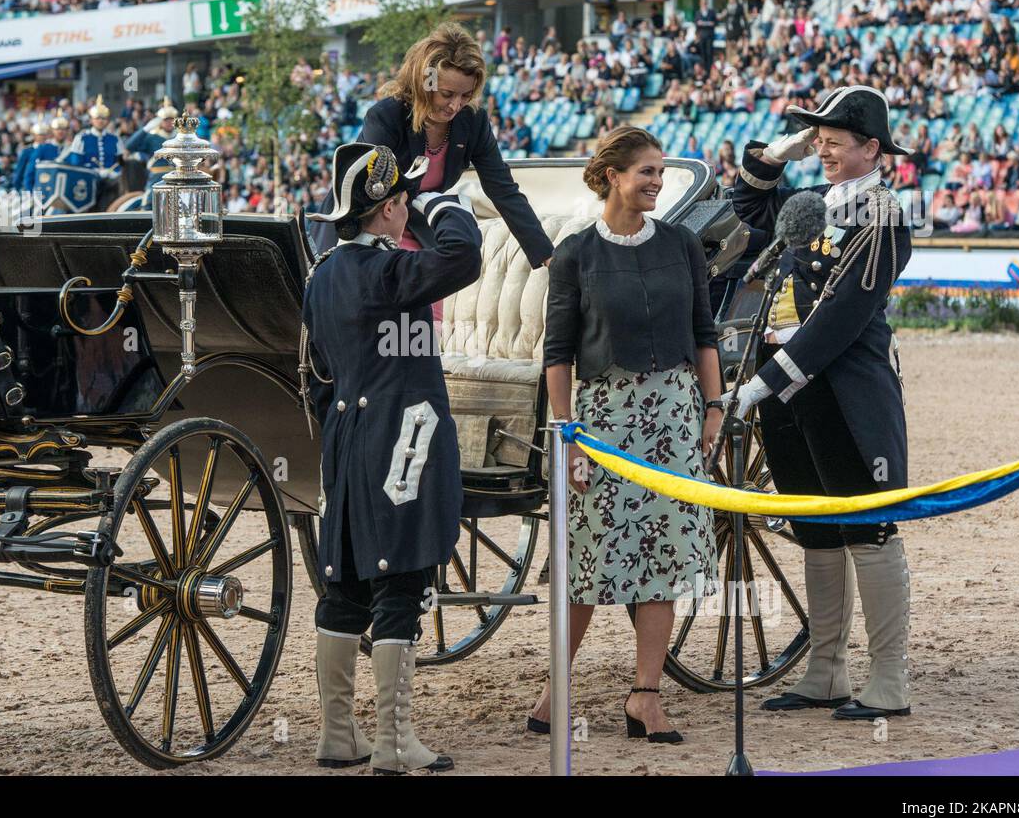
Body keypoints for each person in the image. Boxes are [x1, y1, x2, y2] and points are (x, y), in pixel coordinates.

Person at [527, 126, 724, 743]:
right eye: (646, 171)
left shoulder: (684, 244)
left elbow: (704, 333)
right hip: (600, 421)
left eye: (660, 172)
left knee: (665, 555)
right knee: (587, 560)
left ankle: (646, 696)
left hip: (674, 415)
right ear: (612, 174)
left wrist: (714, 409)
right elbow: (557, 354)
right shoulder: (575, 255)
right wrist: (567, 432)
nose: (657, 182)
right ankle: (555, 690)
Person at [729, 85, 913, 721]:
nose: (825, 149)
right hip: (791, 393)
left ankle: (889, 679)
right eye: (820, 139)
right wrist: (776, 154)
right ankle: (826, 671)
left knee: (867, 526)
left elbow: (840, 318)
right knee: (816, 528)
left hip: (846, 392)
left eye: (838, 140)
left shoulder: (885, 214)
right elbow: (742, 209)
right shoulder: (809, 204)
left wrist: (764, 381)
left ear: (873, 149)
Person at [301, 142, 481, 774]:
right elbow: (465, 257)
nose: (409, 211)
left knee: (345, 585)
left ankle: (337, 735)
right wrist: (446, 202)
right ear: (386, 209)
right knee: (400, 581)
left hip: (346, 439)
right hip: (406, 436)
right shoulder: (387, 270)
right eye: (403, 201)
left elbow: (318, 376)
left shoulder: (322, 273)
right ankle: (395, 741)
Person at [310, 22, 553, 289]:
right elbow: (367, 193)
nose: (455, 105)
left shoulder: (474, 121)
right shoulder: (387, 116)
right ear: (425, 83)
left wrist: (547, 255)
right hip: (362, 223)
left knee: (424, 318)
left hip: (414, 226)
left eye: (466, 95)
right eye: (447, 94)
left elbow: (503, 190)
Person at [125, 96, 180, 199]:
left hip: (178, 176)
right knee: (149, 202)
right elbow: (129, 146)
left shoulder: (180, 137)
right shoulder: (151, 137)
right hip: (157, 176)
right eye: (165, 120)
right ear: (160, 121)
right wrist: (145, 129)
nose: (169, 122)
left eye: (172, 119)